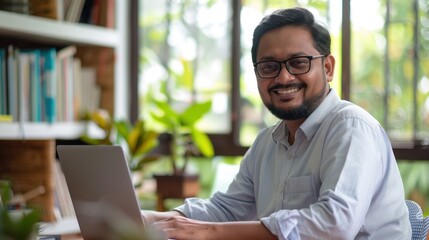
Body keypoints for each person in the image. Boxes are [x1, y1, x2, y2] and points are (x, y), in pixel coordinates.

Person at [143, 7, 412, 240]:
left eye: (298, 63)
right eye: (269, 66)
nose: (283, 78)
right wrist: (156, 219)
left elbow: (334, 225)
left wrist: (204, 232)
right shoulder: (266, 143)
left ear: (328, 68)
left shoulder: (351, 127)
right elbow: (225, 210)